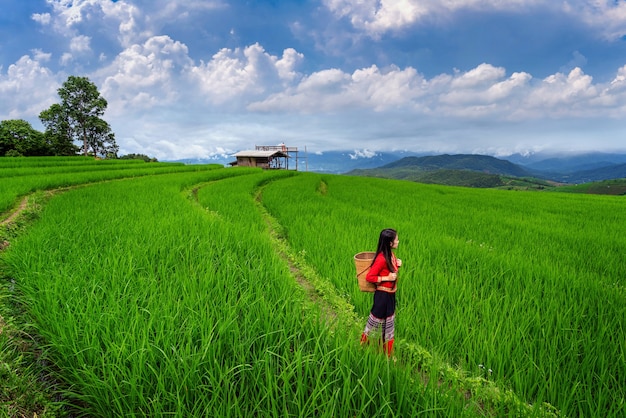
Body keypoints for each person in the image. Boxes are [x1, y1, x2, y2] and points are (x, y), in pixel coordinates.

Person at [360, 228, 402, 357]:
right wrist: (386, 278)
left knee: (388, 324)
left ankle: (387, 353)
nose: (398, 241)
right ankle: (363, 347)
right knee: (374, 323)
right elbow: (370, 277)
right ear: (390, 243)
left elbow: (390, 272)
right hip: (382, 297)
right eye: (396, 239)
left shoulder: (391, 255)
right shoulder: (381, 258)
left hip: (390, 295)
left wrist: (397, 265)